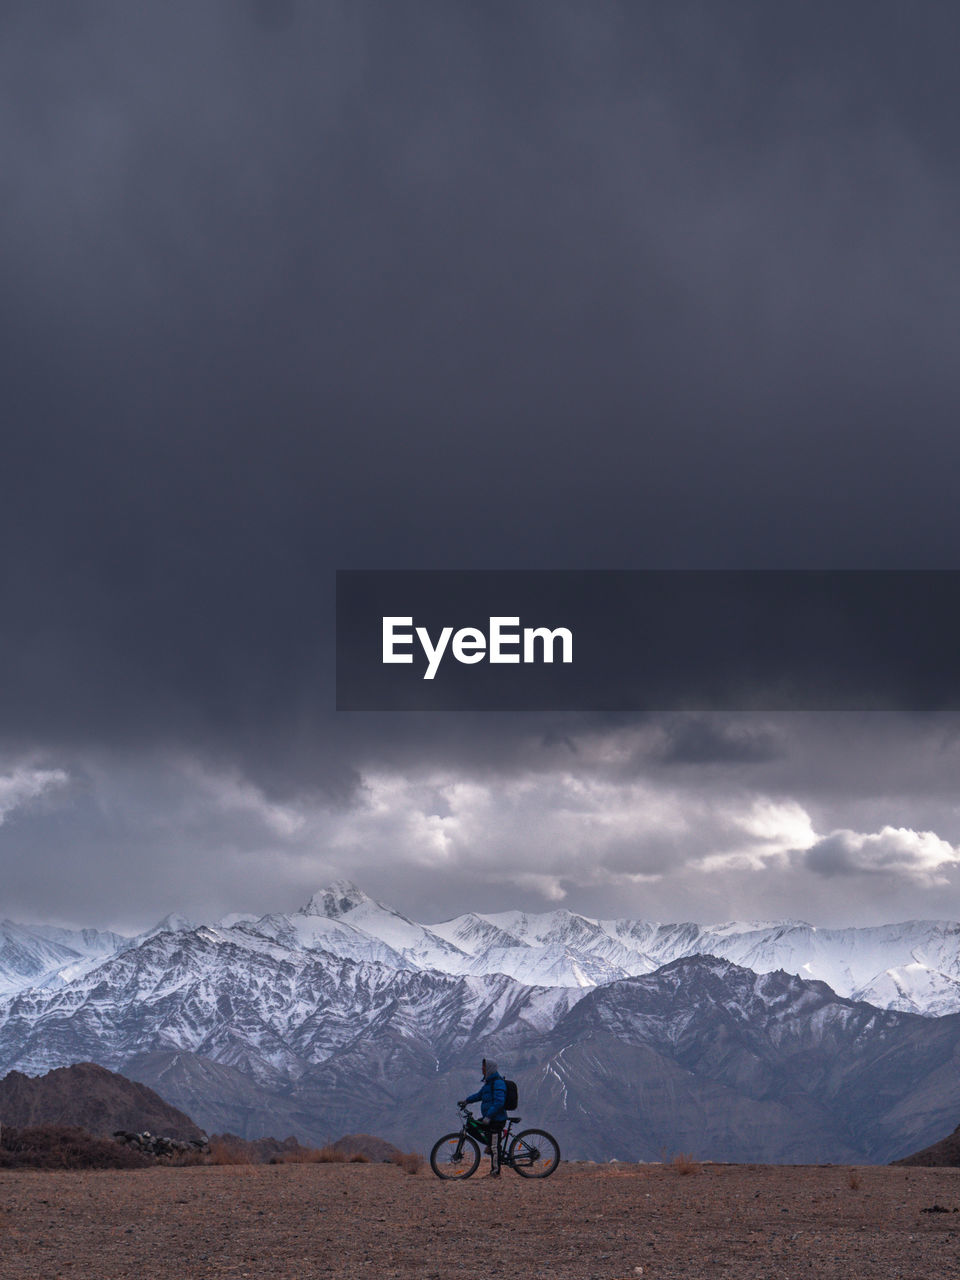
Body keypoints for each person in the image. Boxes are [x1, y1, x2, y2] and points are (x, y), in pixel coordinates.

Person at [459, 1057, 508, 1176]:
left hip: (497, 1119)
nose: (482, 1069)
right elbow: (479, 1095)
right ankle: (490, 1144)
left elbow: (499, 1102)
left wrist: (489, 1116)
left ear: (489, 1068)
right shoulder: (488, 1083)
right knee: (472, 1127)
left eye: (484, 1067)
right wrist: (466, 1101)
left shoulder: (498, 1083)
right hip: (490, 1118)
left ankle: (495, 1173)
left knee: (494, 1146)